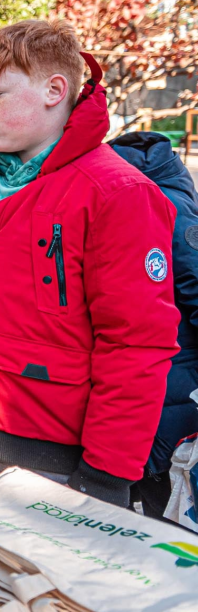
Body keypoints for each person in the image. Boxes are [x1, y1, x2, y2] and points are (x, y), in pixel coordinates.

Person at [0, 20, 179, 506]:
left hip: (44, 459)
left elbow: (135, 344)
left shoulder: (118, 194)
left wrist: (107, 472)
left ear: (54, 90)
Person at [111, 131, 198, 520]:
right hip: (158, 387)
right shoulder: (168, 196)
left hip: (169, 390)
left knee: (166, 519)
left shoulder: (163, 204)